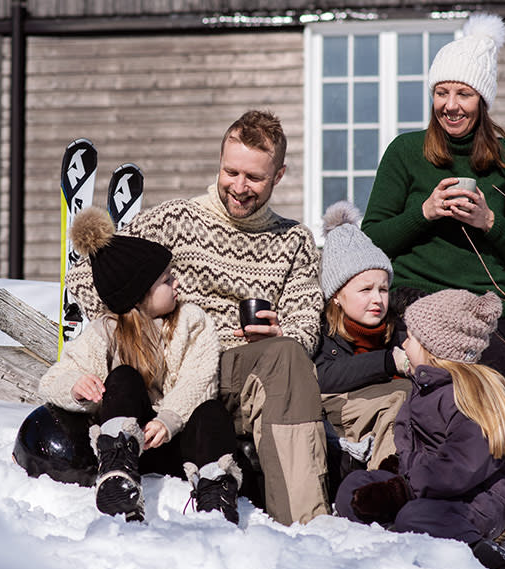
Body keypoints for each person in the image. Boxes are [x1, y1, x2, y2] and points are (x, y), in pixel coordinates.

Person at [64, 109, 330, 526]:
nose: (240, 187)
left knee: (289, 356)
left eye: (254, 178)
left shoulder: (294, 241)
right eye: (231, 172)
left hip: (240, 372)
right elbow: (88, 275)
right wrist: (144, 325)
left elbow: (306, 324)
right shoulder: (175, 219)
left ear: (278, 176)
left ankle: (302, 528)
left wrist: (282, 333)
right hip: (167, 364)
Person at [359, 13, 505, 509]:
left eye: (464, 94)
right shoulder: (406, 153)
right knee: (486, 380)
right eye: (442, 93)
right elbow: (372, 240)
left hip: (483, 306)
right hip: (418, 299)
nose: (450, 106)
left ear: (482, 100)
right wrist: (426, 212)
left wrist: (489, 223)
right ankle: (482, 494)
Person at [37, 208, 240, 524]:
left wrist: (169, 419)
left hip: (176, 442)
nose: (177, 283)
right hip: (131, 450)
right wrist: (75, 384)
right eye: (166, 279)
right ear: (139, 293)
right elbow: (52, 379)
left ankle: (215, 492)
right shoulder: (106, 331)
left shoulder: (193, 322)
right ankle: (118, 476)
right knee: (124, 377)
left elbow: (199, 381)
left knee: (212, 413)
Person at [334, 289, 505, 569]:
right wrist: (394, 472)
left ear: (434, 349)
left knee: (417, 515)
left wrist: (401, 491)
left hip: (479, 496)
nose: (403, 343)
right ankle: (401, 535)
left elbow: (458, 470)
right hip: (432, 489)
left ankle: (494, 559)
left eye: (411, 337)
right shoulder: (426, 388)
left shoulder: (471, 397)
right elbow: (417, 451)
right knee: (353, 488)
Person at [313, 201, 413, 493]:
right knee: (400, 396)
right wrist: (387, 363)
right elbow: (322, 377)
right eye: (365, 289)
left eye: (383, 289)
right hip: (338, 417)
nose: (377, 299)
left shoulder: (398, 328)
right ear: (336, 297)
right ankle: (386, 489)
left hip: (380, 414)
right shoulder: (322, 331)